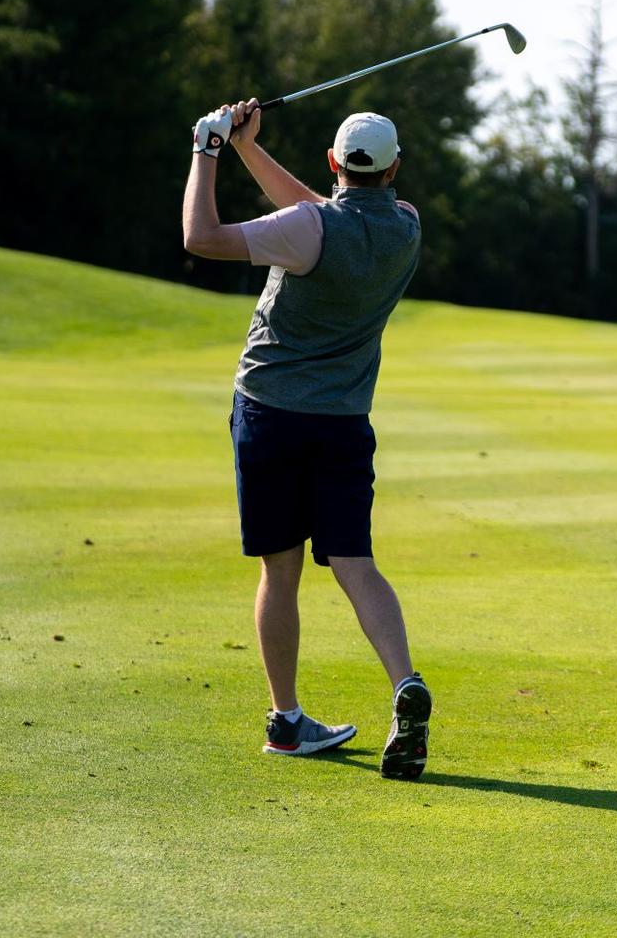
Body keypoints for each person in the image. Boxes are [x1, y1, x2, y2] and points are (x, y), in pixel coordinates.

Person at [182, 99, 431, 780]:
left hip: (270, 414)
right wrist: (245, 149)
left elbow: (200, 237)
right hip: (344, 424)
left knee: (280, 571)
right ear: (395, 168)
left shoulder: (306, 229)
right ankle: (404, 682)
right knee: (356, 563)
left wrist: (207, 149)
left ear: (332, 162)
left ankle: (286, 721)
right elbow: (321, 213)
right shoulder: (406, 227)